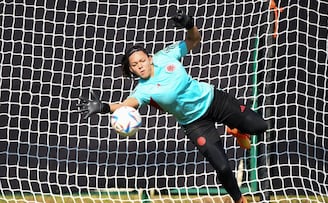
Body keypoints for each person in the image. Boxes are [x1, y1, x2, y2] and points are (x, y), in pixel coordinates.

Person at [77, 9, 268, 203]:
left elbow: (193, 41)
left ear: (150, 58)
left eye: (142, 60)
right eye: (135, 65)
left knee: (261, 126)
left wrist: (189, 25)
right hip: (195, 124)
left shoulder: (165, 56)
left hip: (213, 100)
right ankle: (239, 200)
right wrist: (103, 107)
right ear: (131, 69)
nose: (140, 65)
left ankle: (237, 129)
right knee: (223, 168)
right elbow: (126, 106)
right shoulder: (142, 90)